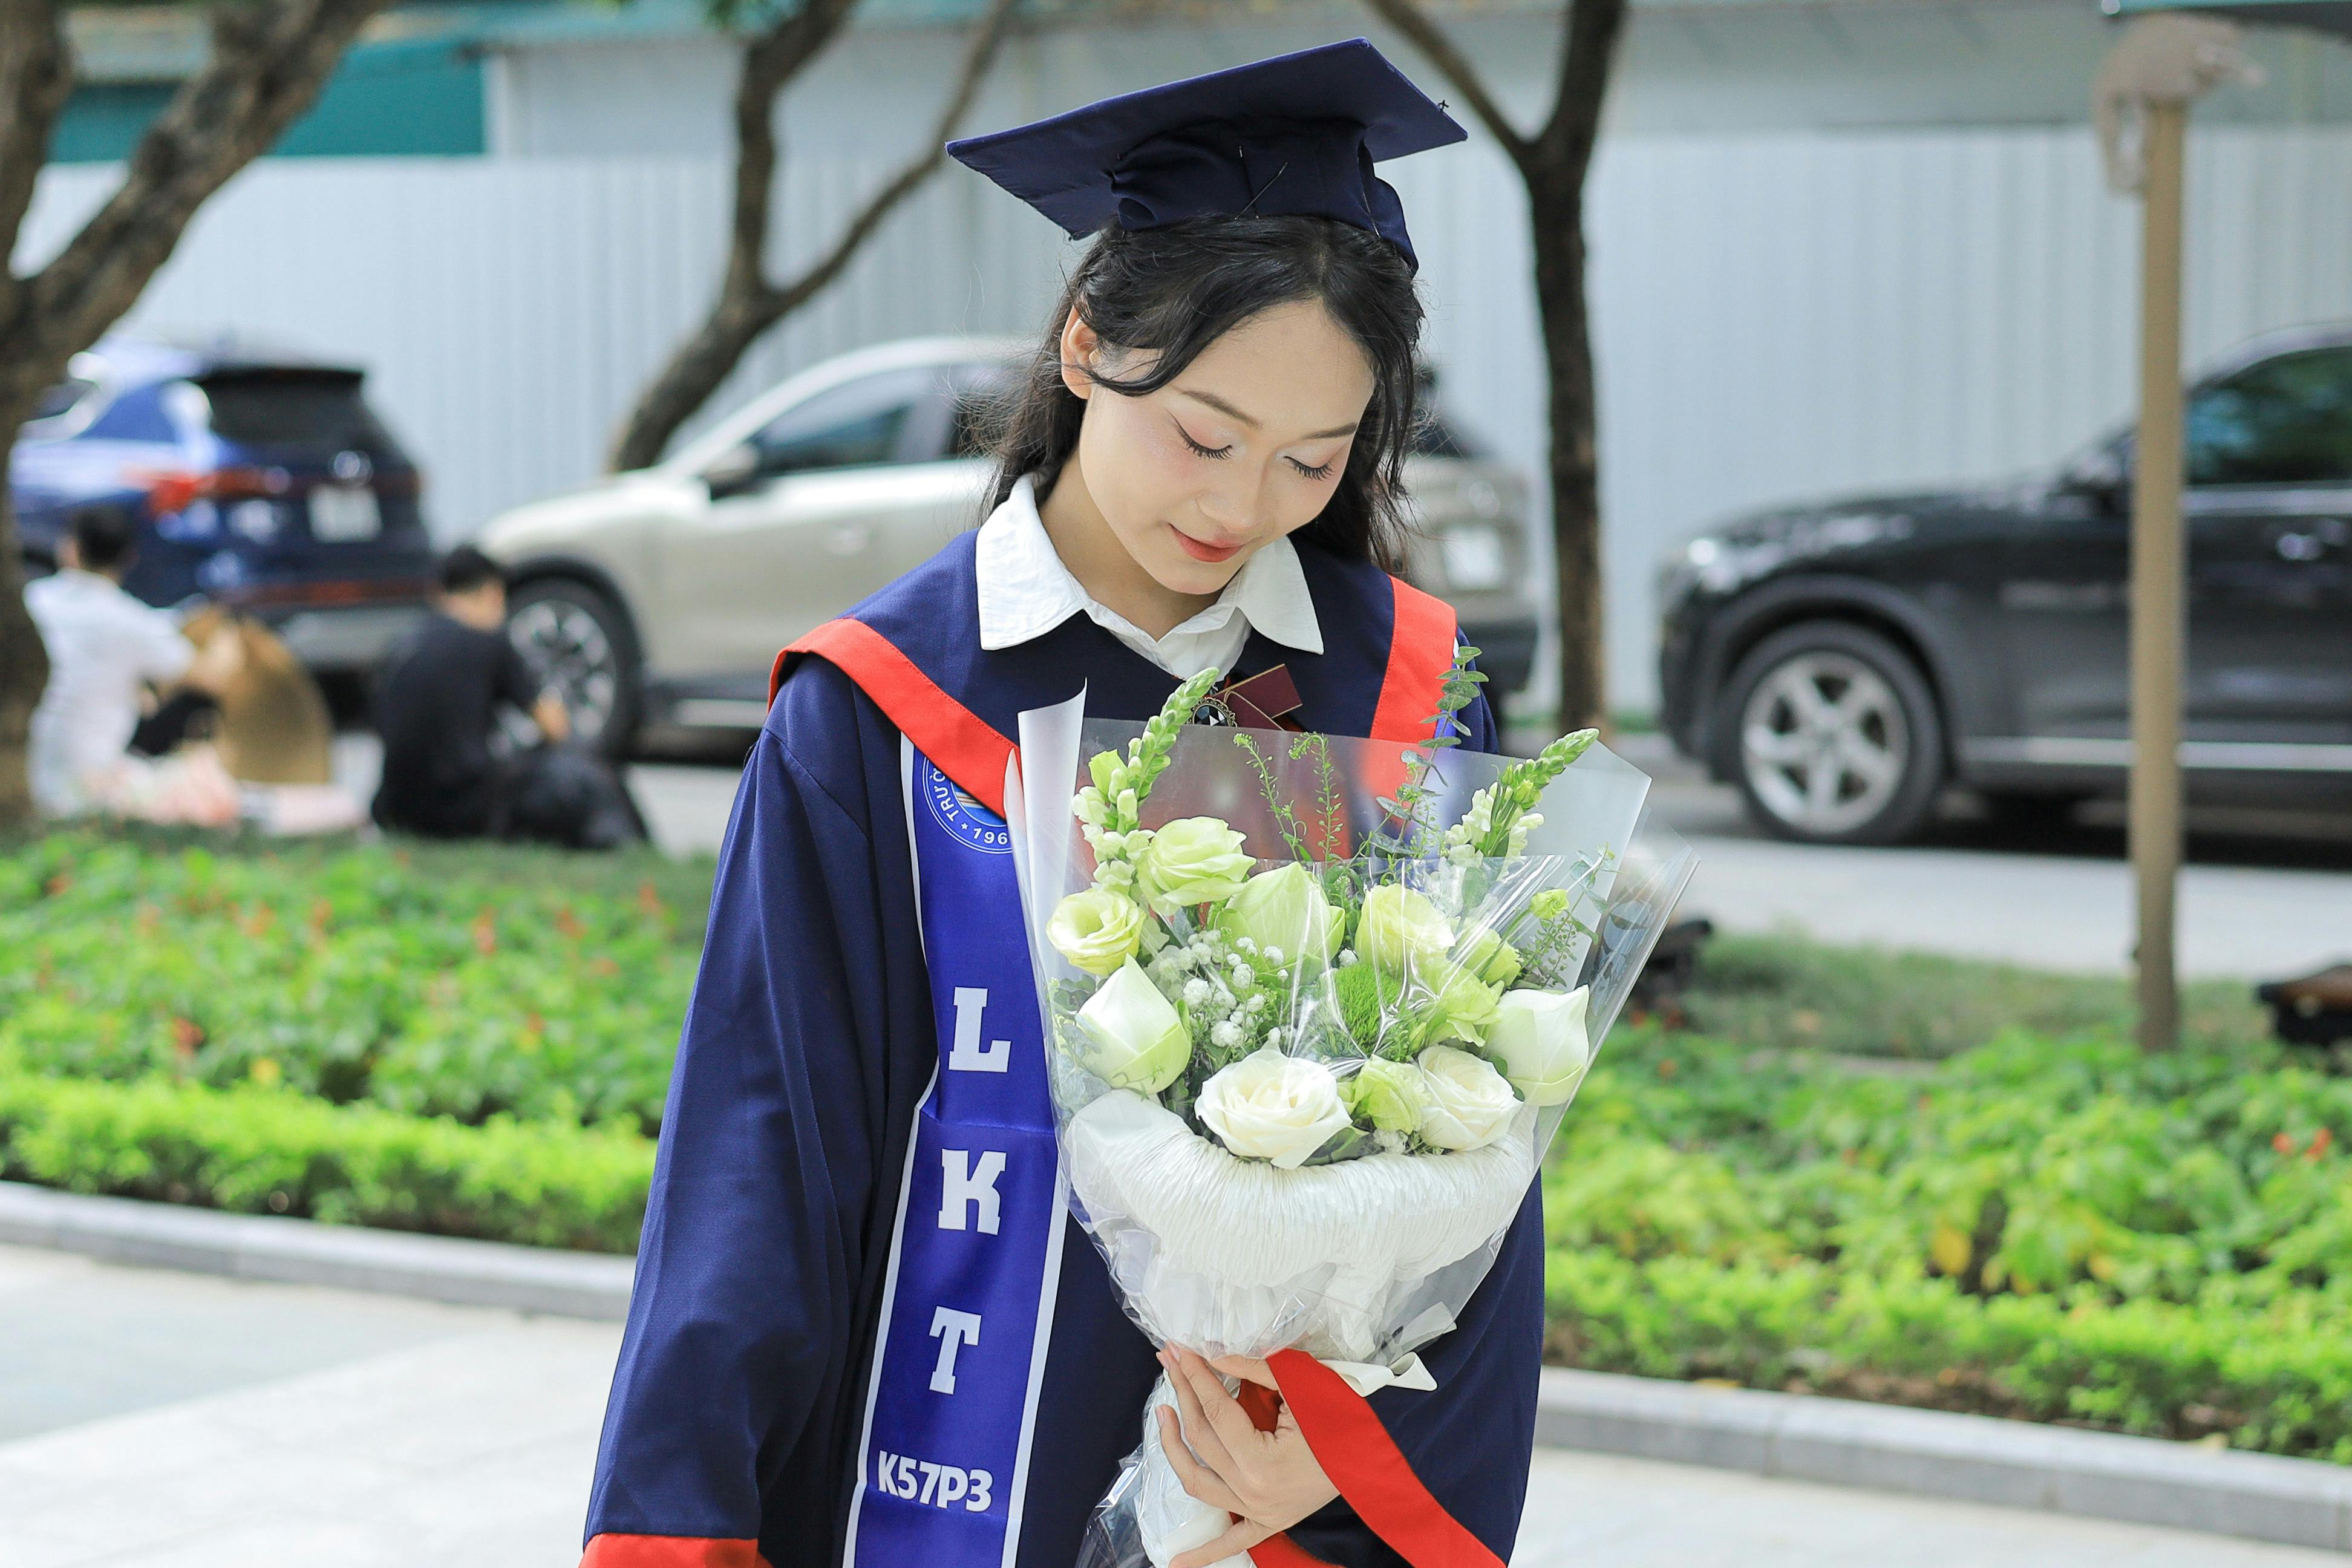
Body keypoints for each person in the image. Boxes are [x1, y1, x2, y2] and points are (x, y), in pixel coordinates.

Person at [582, 40, 1538, 1568]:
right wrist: (685, 1529)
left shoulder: (1404, 696)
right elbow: (760, 1160)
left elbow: (1478, 1153)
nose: (1239, 508)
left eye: (1313, 457)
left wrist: (1351, 1474)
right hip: (933, 1457)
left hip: (1261, 1492)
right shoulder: (878, 707)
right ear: (1088, 346)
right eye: (1205, 436)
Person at [371, 546, 645, 848]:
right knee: (576, 764)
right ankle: (630, 844)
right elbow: (555, 728)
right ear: (492, 593)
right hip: (462, 813)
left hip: (397, 812)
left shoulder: (400, 647)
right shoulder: (487, 641)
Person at [26, 505, 243, 823]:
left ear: (69, 549)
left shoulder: (32, 600)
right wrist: (231, 640)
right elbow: (212, 678)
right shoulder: (130, 620)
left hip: (24, 772)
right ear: (129, 558)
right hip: (89, 784)